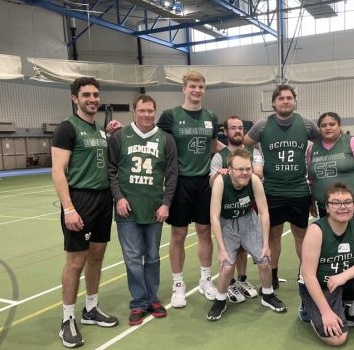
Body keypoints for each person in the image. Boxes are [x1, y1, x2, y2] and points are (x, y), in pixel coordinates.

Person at [52, 77, 119, 348]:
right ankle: (67, 320)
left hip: (104, 200)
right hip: (80, 200)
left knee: (97, 257)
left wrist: (112, 133)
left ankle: (91, 309)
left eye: (95, 94)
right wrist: (69, 208)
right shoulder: (67, 128)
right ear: (75, 98)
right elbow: (58, 171)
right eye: (86, 95)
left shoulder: (99, 131)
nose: (92, 99)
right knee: (75, 262)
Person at [108, 94, 178, 325]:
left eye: (150, 111)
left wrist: (166, 202)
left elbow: (171, 174)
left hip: (154, 209)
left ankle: (152, 299)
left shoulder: (165, 139)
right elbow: (110, 171)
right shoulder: (120, 136)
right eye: (142, 111)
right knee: (132, 259)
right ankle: (139, 302)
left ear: (154, 112)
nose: (147, 115)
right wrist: (118, 198)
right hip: (126, 211)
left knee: (153, 256)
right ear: (134, 112)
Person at [156, 71, 224, 307]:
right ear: (184, 89)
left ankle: (206, 280)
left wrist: (235, 156)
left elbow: (214, 145)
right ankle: (178, 285)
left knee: (205, 232)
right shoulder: (170, 116)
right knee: (179, 235)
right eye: (193, 86)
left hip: (205, 182)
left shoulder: (211, 116)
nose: (197, 90)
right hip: (180, 182)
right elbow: (155, 141)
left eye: (201, 87)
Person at [244, 84, 320, 289]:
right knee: (273, 235)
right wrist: (255, 164)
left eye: (289, 98)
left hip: (299, 189)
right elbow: (245, 144)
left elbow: (323, 142)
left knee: (301, 234)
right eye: (281, 98)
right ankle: (274, 275)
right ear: (273, 103)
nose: (285, 101)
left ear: (294, 101)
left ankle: (305, 273)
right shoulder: (262, 125)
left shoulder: (305, 124)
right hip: (272, 191)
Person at [301, 183, 354, 345]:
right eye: (336, 203)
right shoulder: (316, 230)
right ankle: (308, 308)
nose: (343, 207)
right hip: (321, 286)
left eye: (347, 202)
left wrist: (342, 276)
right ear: (327, 207)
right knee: (337, 339)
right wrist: (325, 313)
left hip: (343, 281)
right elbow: (308, 275)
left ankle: (353, 314)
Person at [208, 149, 287, 320]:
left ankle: (268, 295)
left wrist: (266, 245)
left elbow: (264, 213)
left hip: (248, 220)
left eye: (248, 168)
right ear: (230, 169)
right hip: (227, 224)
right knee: (227, 265)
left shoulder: (255, 180)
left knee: (264, 261)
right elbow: (214, 216)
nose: (244, 173)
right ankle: (220, 300)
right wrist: (221, 250)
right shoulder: (221, 182)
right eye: (240, 169)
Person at [209, 116, 263, 303]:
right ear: (226, 131)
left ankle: (241, 279)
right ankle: (229, 282)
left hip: (248, 203)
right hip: (226, 207)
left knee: (243, 247)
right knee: (227, 250)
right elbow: (211, 182)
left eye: (240, 127)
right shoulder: (219, 156)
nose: (238, 131)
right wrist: (219, 173)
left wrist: (237, 171)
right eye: (233, 128)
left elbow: (258, 172)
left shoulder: (253, 151)